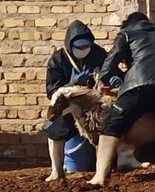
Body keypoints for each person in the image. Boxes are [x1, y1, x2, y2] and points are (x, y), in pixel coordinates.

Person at [87, 12, 155, 186]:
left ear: (127, 24)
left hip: (138, 86)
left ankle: (100, 176)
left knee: (112, 126)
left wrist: (105, 79)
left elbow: (112, 58)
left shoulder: (127, 34)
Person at [44, 20, 120, 182]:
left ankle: (105, 168)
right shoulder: (58, 60)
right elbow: (52, 91)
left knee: (106, 127)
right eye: (78, 47)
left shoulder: (99, 54)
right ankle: (56, 170)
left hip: (93, 105)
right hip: (68, 106)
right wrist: (71, 86)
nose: (83, 50)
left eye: (86, 46)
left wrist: (114, 80)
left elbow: (112, 72)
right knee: (55, 129)